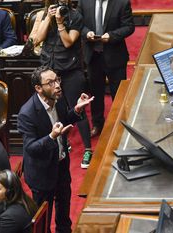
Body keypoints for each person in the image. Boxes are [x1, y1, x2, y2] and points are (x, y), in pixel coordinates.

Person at [17, 66, 94, 233]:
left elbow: (65, 118)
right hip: (41, 172)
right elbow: (31, 149)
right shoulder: (27, 113)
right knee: (43, 218)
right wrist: (51, 137)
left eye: (57, 80)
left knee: (64, 207)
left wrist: (77, 110)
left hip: (61, 163)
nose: (57, 85)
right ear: (39, 88)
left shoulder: (57, 98)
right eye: (50, 83)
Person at [29, 0, 94, 168]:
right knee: (55, 109)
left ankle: (88, 149)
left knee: (77, 109)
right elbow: (36, 40)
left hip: (71, 70)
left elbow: (68, 42)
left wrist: (59, 23)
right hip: (50, 71)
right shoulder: (44, 15)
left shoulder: (75, 16)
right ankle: (62, 143)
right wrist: (48, 19)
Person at [77, 0, 135, 137]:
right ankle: (98, 124)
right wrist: (87, 33)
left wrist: (112, 36)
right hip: (93, 56)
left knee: (118, 93)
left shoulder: (122, 3)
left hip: (115, 56)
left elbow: (129, 26)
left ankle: (121, 124)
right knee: (95, 93)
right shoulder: (84, 2)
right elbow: (78, 24)